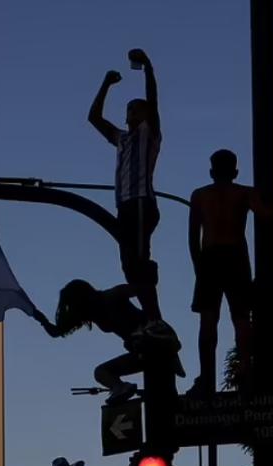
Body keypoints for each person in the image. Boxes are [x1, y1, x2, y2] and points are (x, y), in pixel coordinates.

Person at [187, 149, 273, 394]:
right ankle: (244, 367)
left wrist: (198, 266)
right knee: (241, 317)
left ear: (212, 171)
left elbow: (192, 236)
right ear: (235, 171)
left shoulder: (200, 195)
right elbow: (267, 213)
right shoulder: (243, 193)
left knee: (209, 319)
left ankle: (207, 374)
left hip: (210, 257)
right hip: (235, 256)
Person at [88, 48, 165, 325]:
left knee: (140, 261)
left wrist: (148, 67)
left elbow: (154, 102)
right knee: (130, 266)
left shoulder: (150, 133)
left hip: (142, 202)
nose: (131, 111)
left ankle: (154, 319)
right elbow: (94, 118)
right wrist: (106, 84)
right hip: (124, 206)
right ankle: (150, 317)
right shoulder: (122, 139)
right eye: (129, 108)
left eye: (136, 107)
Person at [36, 279, 182, 405]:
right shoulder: (93, 312)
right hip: (144, 351)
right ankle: (122, 388)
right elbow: (57, 332)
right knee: (102, 373)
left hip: (158, 341)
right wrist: (38, 317)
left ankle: (122, 388)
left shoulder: (112, 296)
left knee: (103, 372)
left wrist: (152, 324)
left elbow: (144, 289)